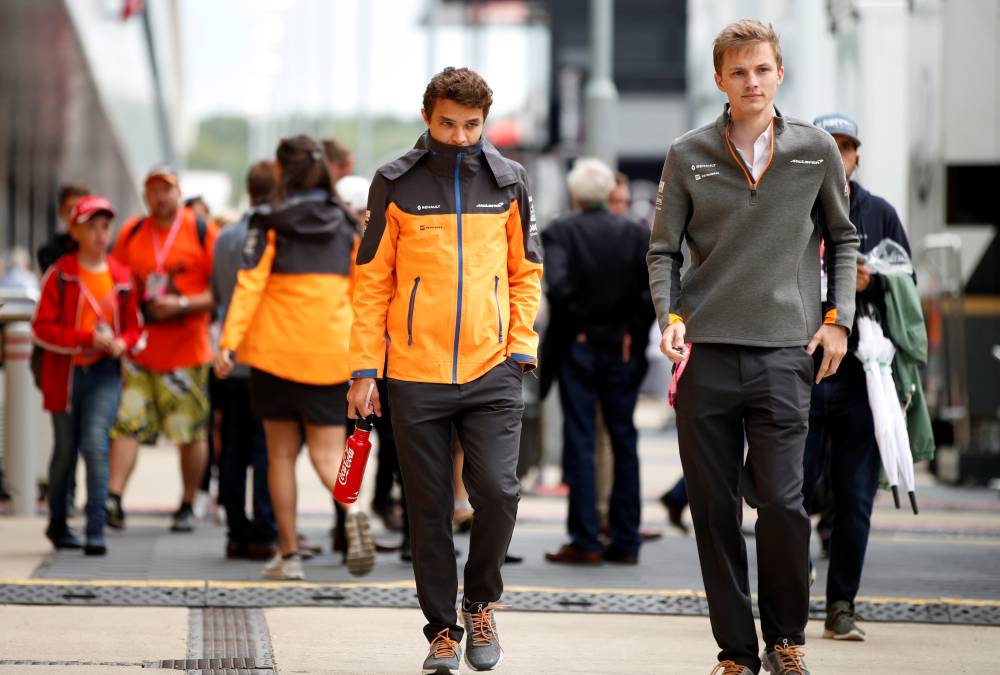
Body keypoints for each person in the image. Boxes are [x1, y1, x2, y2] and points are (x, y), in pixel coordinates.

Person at [647, 20, 859, 675]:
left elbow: (843, 239)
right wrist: (669, 314)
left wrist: (838, 319)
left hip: (783, 355)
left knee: (784, 505)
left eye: (762, 69)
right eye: (738, 72)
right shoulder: (688, 153)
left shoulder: (816, 149)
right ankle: (736, 651)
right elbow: (663, 250)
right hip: (705, 353)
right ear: (720, 80)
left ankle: (786, 639)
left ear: (779, 72)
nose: (752, 82)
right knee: (712, 511)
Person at [348, 66, 543, 674]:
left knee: (500, 493)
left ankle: (481, 600)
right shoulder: (394, 182)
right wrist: (364, 369)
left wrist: (519, 347)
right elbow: (372, 283)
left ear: (485, 122)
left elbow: (525, 272)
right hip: (414, 373)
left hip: (492, 369)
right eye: (448, 124)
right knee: (427, 510)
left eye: (472, 125)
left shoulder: (509, 181)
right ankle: (441, 630)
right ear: (428, 117)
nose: (460, 136)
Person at [215, 135, 374, 581]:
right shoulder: (346, 224)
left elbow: (249, 287)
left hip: (275, 354)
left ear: (283, 172)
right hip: (328, 354)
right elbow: (360, 295)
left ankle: (288, 556)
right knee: (328, 455)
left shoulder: (267, 222)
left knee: (280, 456)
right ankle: (354, 509)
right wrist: (365, 360)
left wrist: (228, 343)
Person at [804, 112, 915, 642]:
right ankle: (786, 591)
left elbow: (910, 288)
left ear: (856, 156)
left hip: (861, 376)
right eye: (830, 146)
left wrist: (873, 282)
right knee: (788, 492)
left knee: (854, 497)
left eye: (846, 148)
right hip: (800, 369)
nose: (839, 155)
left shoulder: (880, 212)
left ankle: (841, 603)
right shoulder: (794, 203)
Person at [541, 158, 654, 566]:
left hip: (578, 348)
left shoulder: (560, 232)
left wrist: (582, 326)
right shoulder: (636, 234)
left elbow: (558, 288)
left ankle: (585, 540)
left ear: (575, 195)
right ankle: (626, 540)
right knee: (625, 440)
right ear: (608, 193)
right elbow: (649, 295)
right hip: (622, 349)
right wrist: (628, 334)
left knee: (581, 441)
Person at [108, 164, 218, 533]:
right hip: (140, 350)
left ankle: (187, 502)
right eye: (153, 190)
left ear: (178, 192)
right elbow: (117, 286)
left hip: (186, 352)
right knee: (126, 423)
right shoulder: (132, 232)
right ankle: (114, 497)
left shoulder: (202, 232)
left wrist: (182, 305)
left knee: (188, 433)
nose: (160, 196)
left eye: (167, 189)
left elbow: (219, 292)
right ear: (145, 195)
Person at [31, 196, 144, 555]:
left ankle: (96, 529)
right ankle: (59, 523)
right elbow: (41, 328)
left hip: (105, 374)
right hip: (65, 376)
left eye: (105, 226)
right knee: (65, 450)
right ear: (74, 230)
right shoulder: (61, 273)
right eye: (91, 226)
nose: (99, 233)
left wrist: (123, 344)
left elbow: (135, 329)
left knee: (95, 444)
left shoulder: (121, 276)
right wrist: (85, 339)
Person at [211, 160, 278, 561]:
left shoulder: (224, 237)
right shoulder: (276, 238)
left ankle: (236, 530)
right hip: (266, 358)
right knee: (268, 451)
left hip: (228, 357)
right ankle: (266, 530)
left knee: (232, 449)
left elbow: (221, 295)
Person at [37, 183, 90, 273]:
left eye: (80, 210)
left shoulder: (103, 251)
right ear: (61, 211)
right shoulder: (48, 252)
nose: (75, 216)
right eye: (70, 210)